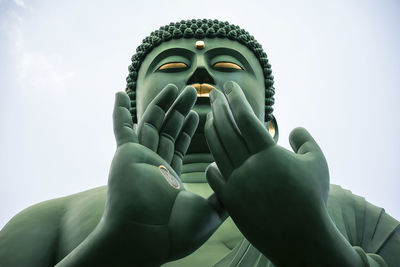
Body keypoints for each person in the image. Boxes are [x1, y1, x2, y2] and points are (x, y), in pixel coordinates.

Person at [0, 19, 399, 267]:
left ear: (269, 125)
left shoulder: (336, 207)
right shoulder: (54, 217)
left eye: (227, 65)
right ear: (138, 119)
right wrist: (111, 249)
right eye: (173, 65)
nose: (202, 68)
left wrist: (318, 245)